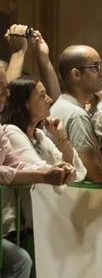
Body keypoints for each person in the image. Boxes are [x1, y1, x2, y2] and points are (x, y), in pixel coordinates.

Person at [1, 67, 75, 278]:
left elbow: (16, 164)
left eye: (6, 87)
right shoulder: (9, 129)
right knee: (19, 260)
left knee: (20, 261)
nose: (5, 93)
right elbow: (12, 172)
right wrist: (44, 173)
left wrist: (49, 171)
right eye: (1, 87)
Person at [1, 76, 85, 236]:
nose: (49, 99)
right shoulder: (11, 130)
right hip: (22, 228)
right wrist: (61, 172)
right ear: (25, 103)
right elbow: (41, 172)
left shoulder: (39, 135)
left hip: (48, 218)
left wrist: (61, 137)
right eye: (41, 96)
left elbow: (78, 172)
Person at [50, 45, 102, 186]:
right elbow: (91, 173)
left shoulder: (62, 105)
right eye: (95, 67)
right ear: (76, 74)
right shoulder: (76, 114)